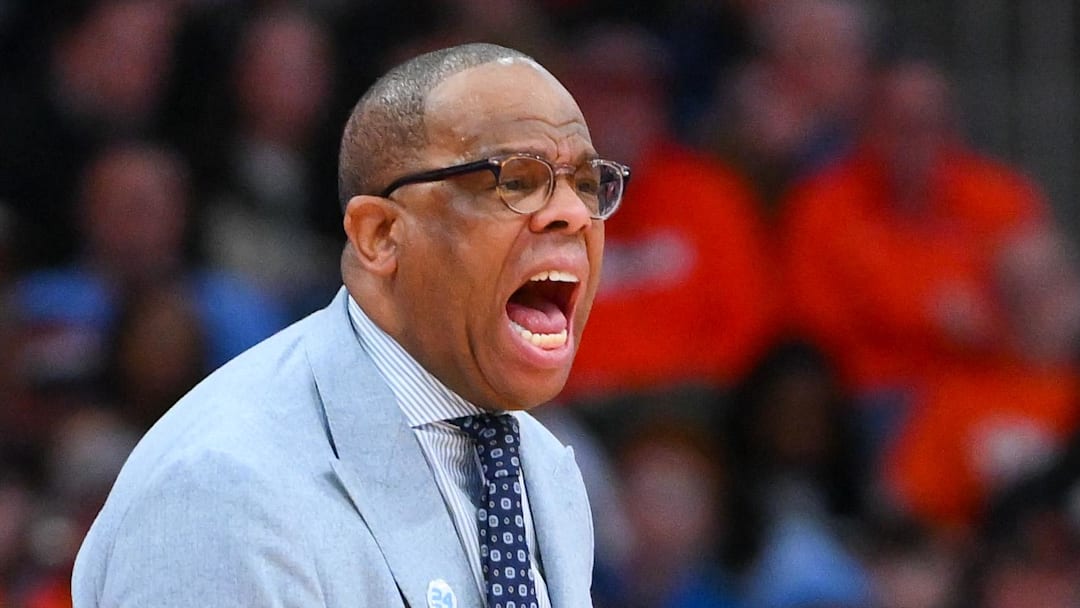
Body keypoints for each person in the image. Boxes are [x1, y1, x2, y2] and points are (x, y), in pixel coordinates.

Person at [72, 42, 628, 607]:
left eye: (586, 183)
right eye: (515, 180)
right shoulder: (224, 486)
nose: (576, 213)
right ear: (379, 235)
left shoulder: (539, 463)